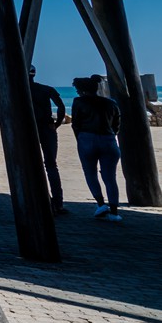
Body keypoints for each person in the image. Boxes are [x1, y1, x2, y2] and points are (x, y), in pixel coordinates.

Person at [71, 74, 123, 221]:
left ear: (82, 90)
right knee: (110, 177)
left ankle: (100, 204)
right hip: (109, 140)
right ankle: (114, 211)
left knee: (90, 173)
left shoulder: (78, 102)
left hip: (87, 139)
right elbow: (116, 125)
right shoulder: (111, 103)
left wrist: (80, 139)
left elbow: (76, 123)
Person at [28, 65, 68, 214]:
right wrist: (56, 124)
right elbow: (61, 106)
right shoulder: (46, 89)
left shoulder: (20, 90)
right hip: (47, 127)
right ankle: (58, 202)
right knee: (51, 165)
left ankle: (37, 201)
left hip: (29, 129)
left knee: (30, 165)